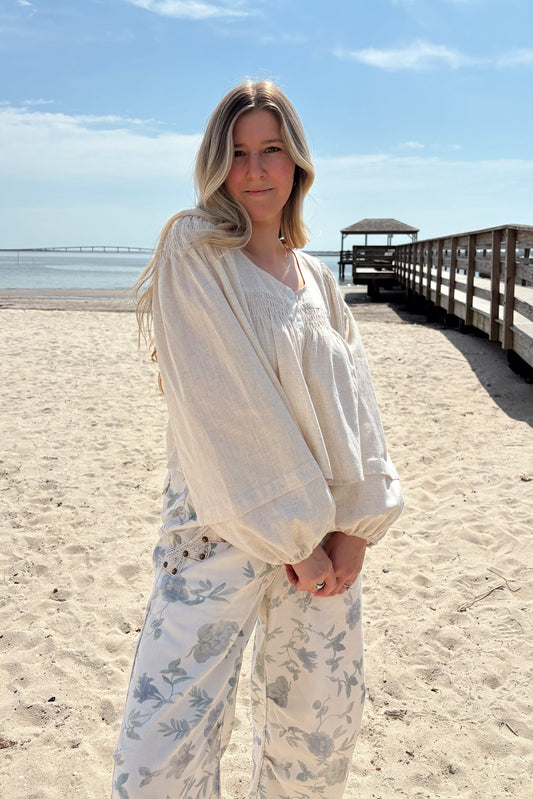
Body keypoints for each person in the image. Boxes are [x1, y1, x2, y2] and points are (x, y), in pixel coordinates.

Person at [111, 79, 403, 799]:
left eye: (271, 149)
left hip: (327, 545)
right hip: (221, 527)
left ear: (297, 162)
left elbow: (357, 406)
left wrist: (356, 531)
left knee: (315, 738)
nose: (256, 169)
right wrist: (292, 535)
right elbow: (223, 400)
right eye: (238, 153)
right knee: (161, 752)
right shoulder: (195, 250)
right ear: (217, 165)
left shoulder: (318, 280)